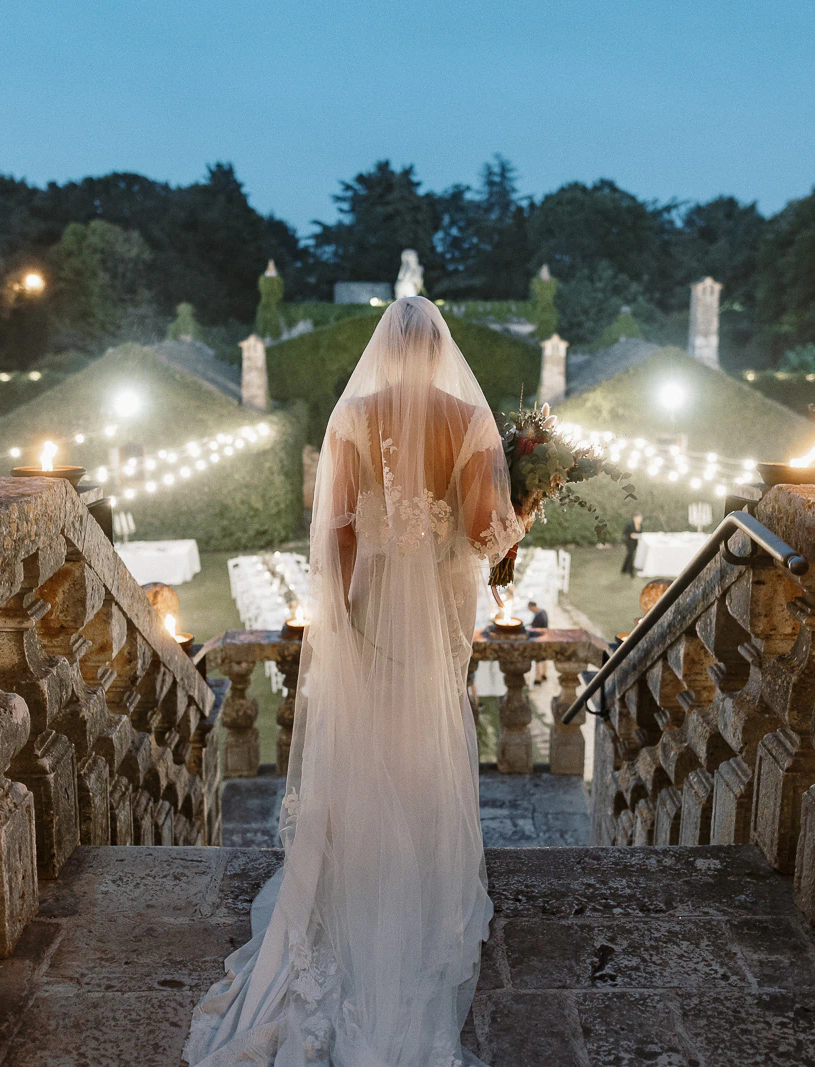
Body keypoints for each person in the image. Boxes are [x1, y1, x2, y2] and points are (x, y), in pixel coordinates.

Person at [186, 296, 528, 1067]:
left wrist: (343, 619)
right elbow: (485, 535)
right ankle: (420, 880)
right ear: (439, 351)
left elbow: (336, 531)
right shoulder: (467, 421)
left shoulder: (352, 417)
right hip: (436, 607)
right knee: (425, 734)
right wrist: (521, 510)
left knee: (371, 734)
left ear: (384, 349)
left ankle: (364, 873)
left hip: (372, 599)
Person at [527, 600, 550, 683]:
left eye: (530, 609)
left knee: (538, 658)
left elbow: (535, 628)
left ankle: (538, 678)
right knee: (543, 657)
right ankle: (544, 674)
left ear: (532, 607)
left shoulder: (538, 615)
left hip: (538, 639)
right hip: (545, 637)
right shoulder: (543, 612)